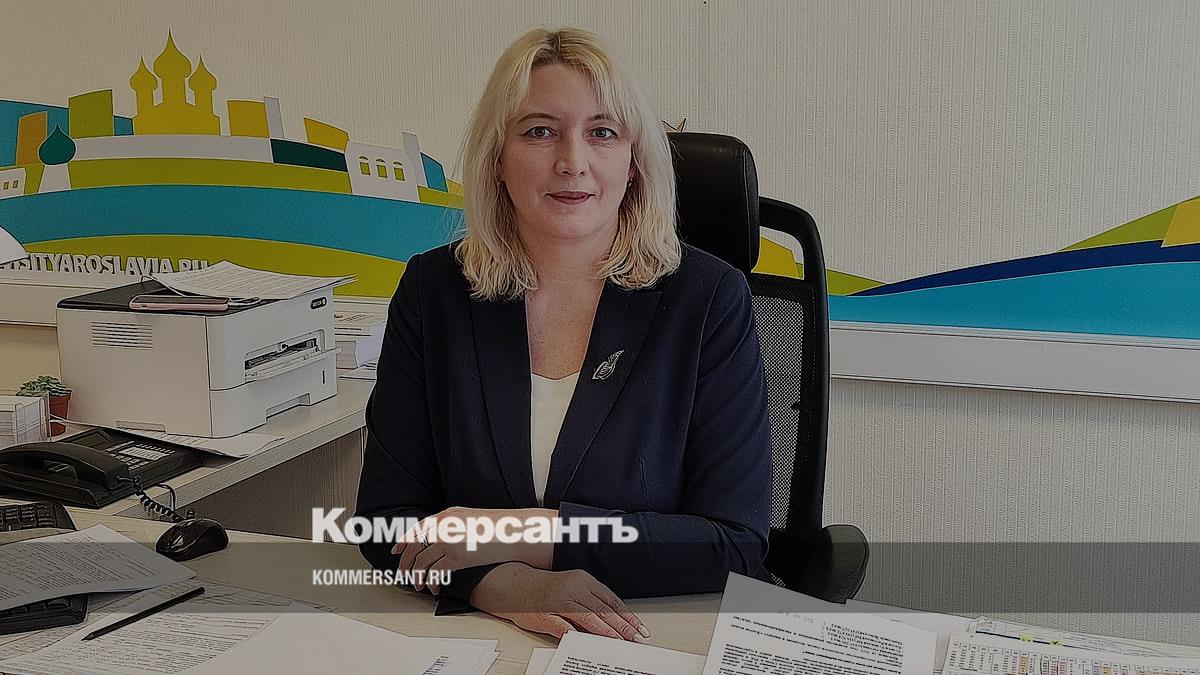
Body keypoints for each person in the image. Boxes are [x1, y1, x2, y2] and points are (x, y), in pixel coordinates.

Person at [355, 27, 772, 641]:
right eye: (539, 131)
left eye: (602, 132)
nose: (572, 161)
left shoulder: (708, 300)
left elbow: (733, 545)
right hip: (476, 638)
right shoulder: (433, 290)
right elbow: (386, 521)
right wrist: (502, 585)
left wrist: (523, 534)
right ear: (496, 158)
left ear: (634, 161)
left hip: (650, 636)